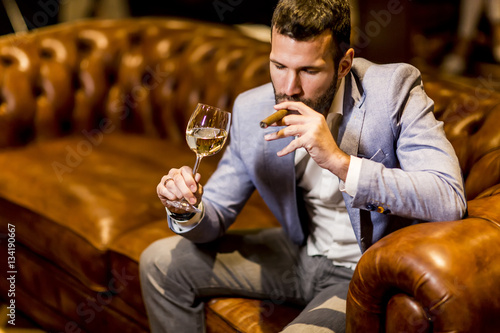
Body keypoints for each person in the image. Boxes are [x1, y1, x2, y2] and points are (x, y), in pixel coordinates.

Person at [140, 0, 467, 331]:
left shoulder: (394, 90)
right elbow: (217, 212)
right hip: (298, 254)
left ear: (344, 64)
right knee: (159, 262)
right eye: (279, 66)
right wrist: (186, 208)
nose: (288, 89)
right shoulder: (252, 109)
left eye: (309, 71)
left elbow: (448, 198)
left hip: (362, 270)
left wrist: (340, 163)